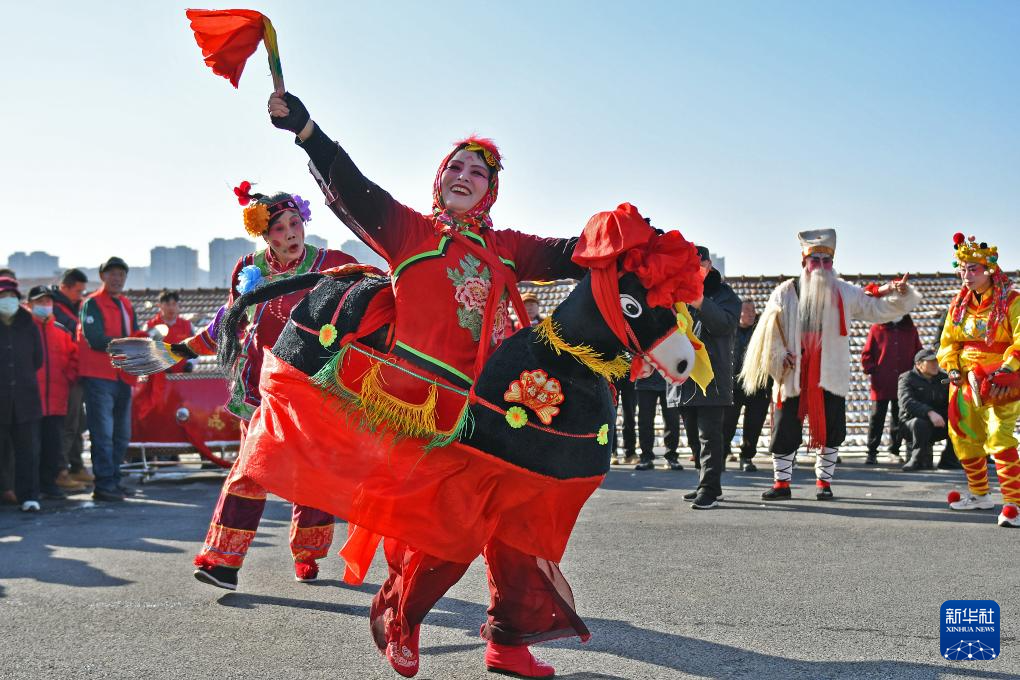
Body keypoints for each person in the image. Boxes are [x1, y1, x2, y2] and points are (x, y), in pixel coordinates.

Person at [266, 90, 596, 678]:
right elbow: (355, 190)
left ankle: (507, 643)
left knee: (518, 531)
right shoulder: (411, 232)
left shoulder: (505, 247)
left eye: (478, 172)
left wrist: (634, 245)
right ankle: (400, 617)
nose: (464, 176)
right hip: (427, 414)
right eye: (455, 167)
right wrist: (307, 131)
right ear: (439, 179)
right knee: (444, 535)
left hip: (495, 412)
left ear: (491, 190)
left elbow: (570, 254)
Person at [150, 187, 355, 588]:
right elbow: (228, 322)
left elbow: (370, 301)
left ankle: (308, 553)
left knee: (312, 472)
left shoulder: (333, 265)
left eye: (295, 223)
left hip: (314, 387)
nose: (290, 233)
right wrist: (182, 349)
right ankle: (221, 561)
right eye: (279, 228)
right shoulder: (248, 268)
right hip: (261, 388)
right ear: (265, 235)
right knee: (250, 470)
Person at [740, 229, 920, 500]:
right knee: (785, 428)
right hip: (793, 372)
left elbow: (875, 309)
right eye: (816, 260)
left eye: (827, 261)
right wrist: (779, 355)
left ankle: (824, 483)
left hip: (829, 372)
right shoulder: (785, 292)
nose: (822, 266)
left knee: (832, 429)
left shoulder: (843, 291)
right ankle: (781, 484)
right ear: (804, 262)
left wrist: (900, 294)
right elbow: (768, 331)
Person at [938, 233, 1020, 527]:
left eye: (973, 269)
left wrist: (1007, 368)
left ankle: (1014, 503)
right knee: (964, 436)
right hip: (964, 381)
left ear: (990, 269)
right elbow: (948, 343)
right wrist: (952, 368)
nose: (966, 275)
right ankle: (979, 494)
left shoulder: (1012, 300)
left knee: (1000, 437)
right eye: (962, 269)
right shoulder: (958, 304)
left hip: (999, 380)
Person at [678, 246, 741, 509]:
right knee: (693, 437)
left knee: (709, 436)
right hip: (684, 377)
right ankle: (705, 482)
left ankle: (710, 488)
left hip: (712, 377)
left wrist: (701, 302)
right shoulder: (678, 291)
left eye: (698, 266)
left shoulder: (725, 294)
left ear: (708, 265)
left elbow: (724, 325)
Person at [78, 257, 140, 502]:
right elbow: (94, 339)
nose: (117, 279)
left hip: (123, 376)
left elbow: (135, 334)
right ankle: (104, 484)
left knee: (121, 435)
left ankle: (113, 480)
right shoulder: (92, 303)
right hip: (99, 376)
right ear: (102, 276)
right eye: (112, 274)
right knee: (103, 433)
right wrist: (128, 344)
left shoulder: (126, 304)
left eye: (121, 275)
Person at [26, 286, 81, 498]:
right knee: (31, 448)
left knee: (52, 445)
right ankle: (31, 487)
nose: (45, 306)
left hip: (56, 401)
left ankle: (49, 484)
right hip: (31, 402)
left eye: (48, 302)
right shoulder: (23, 330)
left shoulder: (61, 331)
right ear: (30, 304)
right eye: (40, 302)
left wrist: (69, 377)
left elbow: (75, 357)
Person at [0, 277, 44, 512]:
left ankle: (29, 496)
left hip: (25, 399)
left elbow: (38, 359)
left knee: (27, 451)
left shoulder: (28, 324)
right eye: (3, 296)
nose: (7, 300)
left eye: (11, 296)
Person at [50, 268, 93, 485]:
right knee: (68, 424)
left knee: (78, 423)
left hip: (78, 373)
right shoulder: (56, 310)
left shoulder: (74, 307)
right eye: (78, 291)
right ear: (64, 287)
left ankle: (76, 466)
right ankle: (60, 471)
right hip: (65, 375)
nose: (81, 295)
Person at [861, 314, 922, 464]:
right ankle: (872, 452)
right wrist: (872, 369)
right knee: (877, 417)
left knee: (898, 418)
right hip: (881, 382)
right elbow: (866, 354)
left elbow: (918, 353)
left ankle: (894, 451)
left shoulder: (910, 330)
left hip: (903, 383)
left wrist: (916, 373)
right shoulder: (876, 329)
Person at [722, 300, 771, 472]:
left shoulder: (762, 330)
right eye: (747, 310)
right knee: (727, 423)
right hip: (733, 386)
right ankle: (721, 456)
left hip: (757, 385)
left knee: (754, 425)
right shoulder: (728, 329)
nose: (751, 313)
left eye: (753, 310)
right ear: (738, 312)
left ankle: (747, 457)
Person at [898, 348, 956, 471]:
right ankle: (916, 460)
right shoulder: (907, 378)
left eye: (936, 361)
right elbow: (907, 402)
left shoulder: (943, 379)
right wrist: (929, 412)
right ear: (918, 364)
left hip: (938, 422)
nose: (935, 365)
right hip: (911, 424)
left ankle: (949, 460)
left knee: (959, 422)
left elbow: (951, 401)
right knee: (920, 423)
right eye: (930, 362)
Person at [146, 290, 194, 373]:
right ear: (160, 305)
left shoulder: (188, 325)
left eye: (174, 304)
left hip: (183, 376)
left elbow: (196, 348)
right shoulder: (150, 326)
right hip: (158, 376)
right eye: (167, 304)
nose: (171, 308)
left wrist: (190, 363)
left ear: (178, 305)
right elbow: (145, 351)